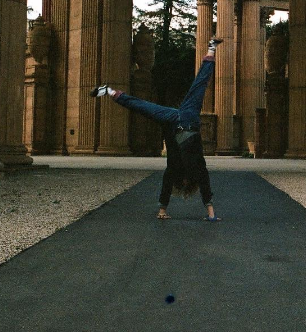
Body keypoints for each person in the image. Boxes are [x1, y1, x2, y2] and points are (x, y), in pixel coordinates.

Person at [90, 38, 223, 222]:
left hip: (173, 121)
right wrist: (211, 214)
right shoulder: (198, 169)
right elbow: (206, 188)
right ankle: (211, 48)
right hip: (188, 119)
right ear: (190, 184)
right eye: (186, 183)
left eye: (182, 184)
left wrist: (162, 210)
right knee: (200, 85)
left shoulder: (174, 169)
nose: (184, 182)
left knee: (142, 107)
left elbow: (167, 183)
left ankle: (109, 92)